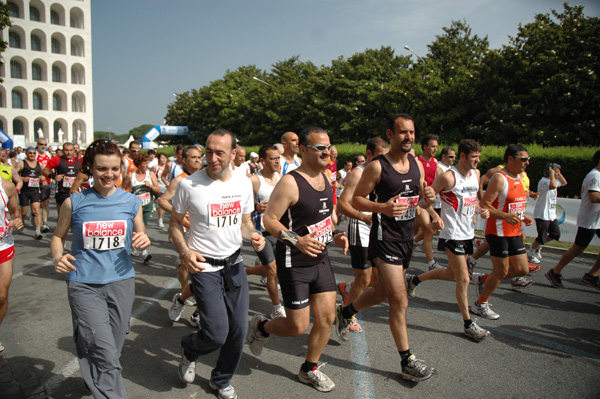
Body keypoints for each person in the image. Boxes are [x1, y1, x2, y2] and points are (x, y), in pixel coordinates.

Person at [246, 126, 348, 393]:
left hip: (321, 259)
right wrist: (297, 240)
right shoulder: (291, 182)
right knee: (297, 326)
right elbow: (269, 220)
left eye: (328, 146)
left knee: (326, 318)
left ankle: (309, 368)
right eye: (319, 148)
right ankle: (262, 327)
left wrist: (335, 235)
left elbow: (324, 219)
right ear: (303, 150)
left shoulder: (327, 177)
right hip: (294, 262)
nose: (327, 152)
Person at [335, 113, 436, 382]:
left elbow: (421, 191)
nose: (409, 137)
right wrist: (383, 208)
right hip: (384, 239)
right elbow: (356, 199)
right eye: (403, 132)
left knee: (380, 291)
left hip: (406, 239)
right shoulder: (377, 167)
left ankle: (346, 311)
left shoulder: (414, 161)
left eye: (412, 132)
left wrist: (428, 196)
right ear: (390, 135)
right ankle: (407, 360)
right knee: (399, 299)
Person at [50, 139, 150, 398]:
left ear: (121, 169)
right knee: (104, 350)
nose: (109, 174)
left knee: (113, 347)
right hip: (84, 284)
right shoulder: (74, 203)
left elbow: (140, 234)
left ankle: (95, 378)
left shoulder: (131, 202)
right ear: (90, 170)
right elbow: (58, 237)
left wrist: (143, 239)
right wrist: (57, 257)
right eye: (102, 169)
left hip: (122, 283)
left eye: (115, 169)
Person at [170, 130, 264, 399]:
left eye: (219, 152)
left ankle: (220, 380)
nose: (211, 158)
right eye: (208, 151)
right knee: (215, 333)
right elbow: (175, 224)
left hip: (234, 264)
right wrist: (186, 253)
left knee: (238, 330)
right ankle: (190, 348)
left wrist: (254, 235)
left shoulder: (243, 184)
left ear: (233, 153)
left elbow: (245, 223)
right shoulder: (189, 185)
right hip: (203, 267)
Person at [405, 139, 491, 341]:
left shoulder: (475, 175)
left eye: (479, 157)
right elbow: (425, 201)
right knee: (463, 278)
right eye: (473, 157)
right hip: (452, 234)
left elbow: (473, 202)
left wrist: (482, 210)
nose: (477, 161)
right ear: (462, 156)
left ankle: (414, 279)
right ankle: (468, 323)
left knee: (450, 273)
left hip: (468, 233)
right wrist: (435, 216)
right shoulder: (448, 177)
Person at [472, 144, 533, 320]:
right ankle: (480, 303)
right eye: (524, 159)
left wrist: (523, 217)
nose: (527, 163)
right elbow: (485, 205)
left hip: (514, 230)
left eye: (528, 159)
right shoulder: (500, 178)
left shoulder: (520, 177)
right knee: (501, 271)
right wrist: (505, 216)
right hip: (497, 231)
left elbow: (515, 205)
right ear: (511, 159)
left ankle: (483, 279)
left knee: (522, 269)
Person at [337, 137, 389, 334]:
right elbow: (342, 204)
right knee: (365, 278)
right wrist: (363, 217)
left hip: (378, 229)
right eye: (380, 157)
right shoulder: (357, 174)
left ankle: (346, 289)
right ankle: (347, 314)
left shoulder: (383, 172)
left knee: (378, 279)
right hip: (360, 227)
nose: (385, 161)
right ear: (369, 154)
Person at [158, 147, 203, 325]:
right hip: (185, 228)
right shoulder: (180, 180)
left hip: (204, 228)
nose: (197, 160)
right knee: (186, 263)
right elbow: (162, 200)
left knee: (204, 268)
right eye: (193, 157)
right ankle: (185, 291)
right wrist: (180, 215)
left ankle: (197, 308)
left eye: (199, 157)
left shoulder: (206, 176)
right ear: (183, 160)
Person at [545, 150, 600, 290]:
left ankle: (592, 275)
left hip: (597, 219)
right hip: (590, 219)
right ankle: (554, 272)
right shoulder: (595, 176)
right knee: (578, 248)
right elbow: (594, 197)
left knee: (579, 248)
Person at [244, 144, 286, 319]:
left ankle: (242, 271)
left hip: (279, 230)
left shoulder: (281, 177)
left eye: (278, 158)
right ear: (263, 160)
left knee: (280, 269)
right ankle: (276, 307)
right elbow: (239, 206)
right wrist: (255, 206)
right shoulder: (254, 180)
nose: (277, 161)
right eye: (273, 158)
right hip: (260, 232)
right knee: (271, 270)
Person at [122, 152, 160, 264]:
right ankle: (143, 252)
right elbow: (123, 189)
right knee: (138, 228)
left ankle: (139, 248)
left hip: (147, 206)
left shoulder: (150, 174)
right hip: (135, 207)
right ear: (138, 164)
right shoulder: (131, 176)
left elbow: (157, 190)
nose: (147, 165)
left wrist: (150, 186)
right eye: (144, 163)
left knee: (142, 227)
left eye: (147, 162)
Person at [0, 177, 24, 352]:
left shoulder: (7, 187)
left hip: (3, 243)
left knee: (1, 295)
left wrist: (16, 220)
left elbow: (16, 212)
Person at [415, 134, 443, 270]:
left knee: (426, 230)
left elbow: (440, 179)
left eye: (436, 147)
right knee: (428, 228)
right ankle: (431, 263)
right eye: (432, 146)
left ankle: (411, 244)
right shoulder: (416, 161)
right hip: (419, 200)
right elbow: (420, 185)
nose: (435, 149)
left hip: (430, 199)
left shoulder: (435, 162)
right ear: (425, 147)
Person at [529, 163, 568, 263]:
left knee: (555, 234)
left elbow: (564, 183)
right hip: (542, 214)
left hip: (551, 215)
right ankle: (531, 252)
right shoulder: (544, 181)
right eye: (556, 171)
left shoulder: (553, 180)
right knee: (541, 236)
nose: (557, 173)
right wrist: (552, 175)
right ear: (550, 172)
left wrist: (559, 175)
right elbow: (553, 185)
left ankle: (536, 246)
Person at [42, 142, 81, 219]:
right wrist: (53, 176)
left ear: (74, 150)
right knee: (62, 216)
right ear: (63, 150)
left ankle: (73, 230)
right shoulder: (57, 159)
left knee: (75, 214)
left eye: (71, 150)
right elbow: (44, 171)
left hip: (75, 191)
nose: (69, 152)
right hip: (61, 191)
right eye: (66, 150)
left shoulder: (79, 161)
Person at [15, 147, 45, 239]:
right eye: (30, 153)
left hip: (35, 190)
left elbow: (41, 174)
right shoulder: (21, 163)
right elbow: (13, 174)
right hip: (24, 191)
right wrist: (22, 179)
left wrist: (43, 179)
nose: (32, 155)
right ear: (26, 153)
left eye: (33, 153)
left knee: (36, 210)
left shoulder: (39, 164)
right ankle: (22, 219)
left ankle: (37, 231)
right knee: (24, 212)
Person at [35, 138, 52, 232]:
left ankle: (45, 223)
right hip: (36, 182)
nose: (43, 146)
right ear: (37, 144)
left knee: (45, 203)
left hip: (47, 182)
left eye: (45, 144)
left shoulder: (48, 155)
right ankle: (35, 216)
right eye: (41, 144)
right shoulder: (34, 154)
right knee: (37, 204)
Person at [152, 152, 169, 228]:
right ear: (158, 159)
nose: (163, 160)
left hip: (167, 188)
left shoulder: (169, 167)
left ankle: (160, 218)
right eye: (162, 158)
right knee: (161, 202)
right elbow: (151, 176)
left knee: (164, 205)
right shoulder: (155, 167)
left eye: (165, 158)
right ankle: (160, 219)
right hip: (158, 188)